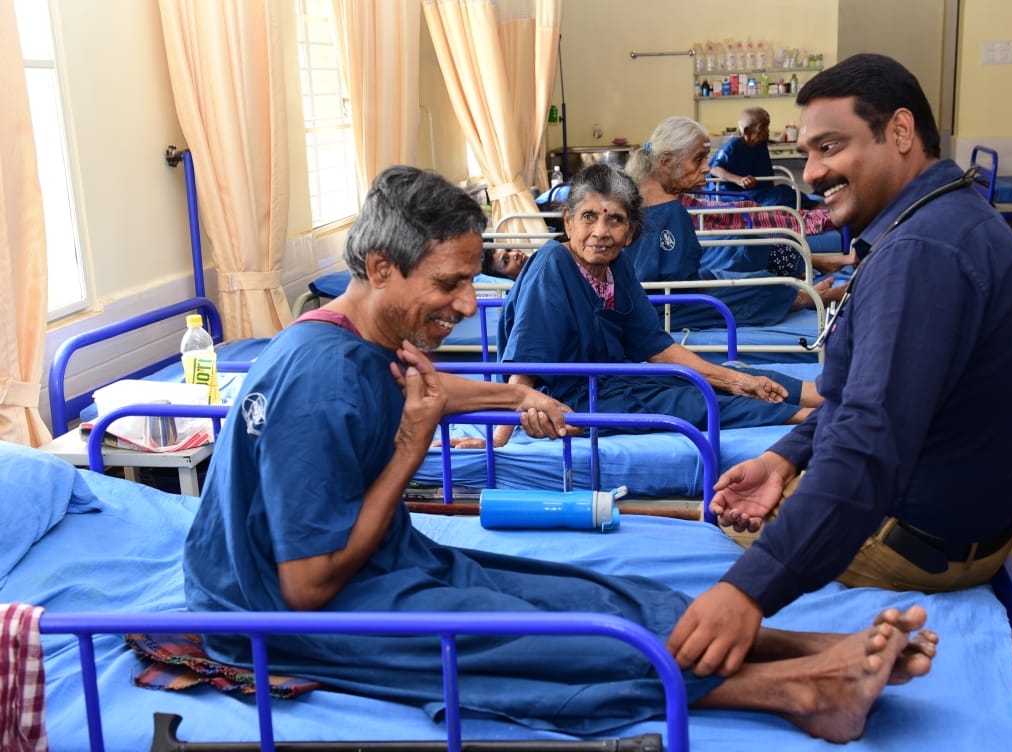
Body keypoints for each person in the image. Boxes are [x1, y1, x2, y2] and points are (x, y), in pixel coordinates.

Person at [182, 164, 937, 743]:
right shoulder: (319, 383)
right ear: (380, 267)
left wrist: (514, 398)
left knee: (596, 597)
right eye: (448, 284)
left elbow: (428, 385)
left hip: (379, 560)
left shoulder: (357, 336)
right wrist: (413, 447)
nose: (467, 303)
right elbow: (309, 587)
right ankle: (800, 688)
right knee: (553, 645)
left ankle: (811, 644)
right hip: (284, 611)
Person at [668, 54, 1012, 680]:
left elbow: (868, 440)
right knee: (727, 501)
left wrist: (747, 593)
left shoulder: (922, 254)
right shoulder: (942, 221)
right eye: (808, 150)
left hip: (919, 541)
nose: (815, 170)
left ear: (900, 132)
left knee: (676, 597)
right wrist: (785, 458)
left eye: (831, 146)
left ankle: (813, 673)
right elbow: (862, 396)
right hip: (946, 516)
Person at [481, 162, 823, 450]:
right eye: (588, 217)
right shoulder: (552, 263)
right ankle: (818, 421)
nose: (600, 232)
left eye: (614, 220)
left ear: (630, 231)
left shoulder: (618, 265)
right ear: (568, 222)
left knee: (744, 375)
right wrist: (498, 439)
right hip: (576, 400)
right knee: (690, 403)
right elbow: (526, 361)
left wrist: (731, 378)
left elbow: (655, 346)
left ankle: (834, 400)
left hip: (620, 380)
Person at [625, 116, 847, 330]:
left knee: (755, 275)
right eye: (698, 158)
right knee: (760, 286)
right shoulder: (669, 209)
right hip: (667, 306)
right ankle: (806, 298)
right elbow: (678, 282)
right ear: (666, 162)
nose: (706, 168)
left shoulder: (641, 198)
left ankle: (803, 288)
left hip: (671, 292)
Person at [708, 106, 804, 208]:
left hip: (754, 192)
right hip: (730, 195)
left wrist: (771, 190)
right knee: (780, 195)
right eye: (763, 127)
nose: (767, 131)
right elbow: (714, 169)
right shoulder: (733, 145)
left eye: (767, 126)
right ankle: (813, 205)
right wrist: (739, 180)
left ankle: (812, 205)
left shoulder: (760, 145)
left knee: (785, 191)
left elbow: (767, 176)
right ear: (747, 131)